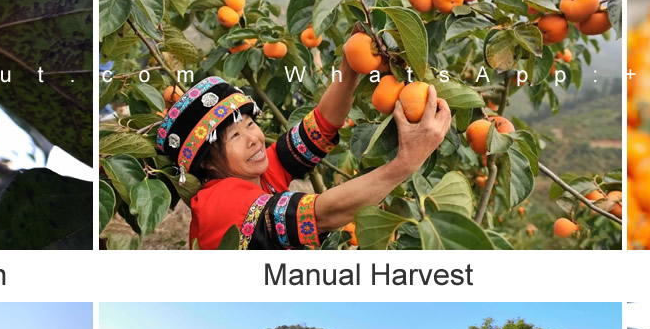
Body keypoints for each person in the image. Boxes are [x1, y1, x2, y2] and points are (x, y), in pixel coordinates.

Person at [153, 46, 454, 249]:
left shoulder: (251, 174)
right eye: (234, 136)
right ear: (206, 162)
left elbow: (317, 129)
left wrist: (351, 65)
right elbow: (320, 214)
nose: (254, 138)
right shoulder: (219, 201)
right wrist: (406, 163)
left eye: (250, 124)